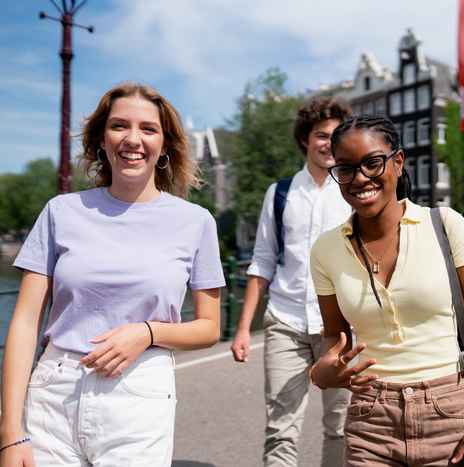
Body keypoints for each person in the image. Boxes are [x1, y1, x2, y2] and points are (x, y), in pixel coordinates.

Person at [0, 82, 225, 467]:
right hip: (54, 393)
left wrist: (148, 332)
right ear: (101, 140)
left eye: (148, 129)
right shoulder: (60, 212)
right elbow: (24, 323)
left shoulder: (195, 222)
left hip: (139, 394)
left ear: (165, 144)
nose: (133, 139)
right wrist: (10, 434)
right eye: (119, 126)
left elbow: (208, 328)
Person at [309, 116, 464, 467]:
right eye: (346, 169)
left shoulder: (445, 224)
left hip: (450, 412)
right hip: (371, 418)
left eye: (372, 162)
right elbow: (334, 337)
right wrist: (323, 371)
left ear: (398, 162)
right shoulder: (325, 250)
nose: (360, 178)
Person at [229, 96, 353, 466]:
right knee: (281, 427)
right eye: (320, 134)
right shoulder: (280, 193)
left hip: (342, 327)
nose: (328, 142)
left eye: (335, 135)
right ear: (305, 139)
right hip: (286, 321)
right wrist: (242, 330)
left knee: (342, 427)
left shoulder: (352, 191)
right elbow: (263, 260)